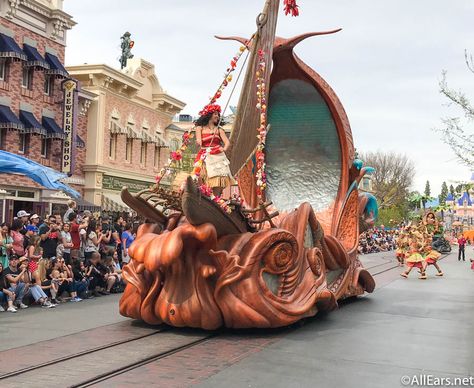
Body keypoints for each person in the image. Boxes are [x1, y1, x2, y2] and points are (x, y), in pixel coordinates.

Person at [194, 104, 233, 197]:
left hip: (217, 156)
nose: (217, 116)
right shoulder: (199, 128)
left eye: (218, 115)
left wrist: (223, 149)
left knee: (218, 179)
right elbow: (199, 140)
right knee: (199, 176)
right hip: (205, 155)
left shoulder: (219, 130)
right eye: (215, 114)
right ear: (209, 115)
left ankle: (216, 198)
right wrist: (198, 142)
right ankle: (205, 195)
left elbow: (227, 142)